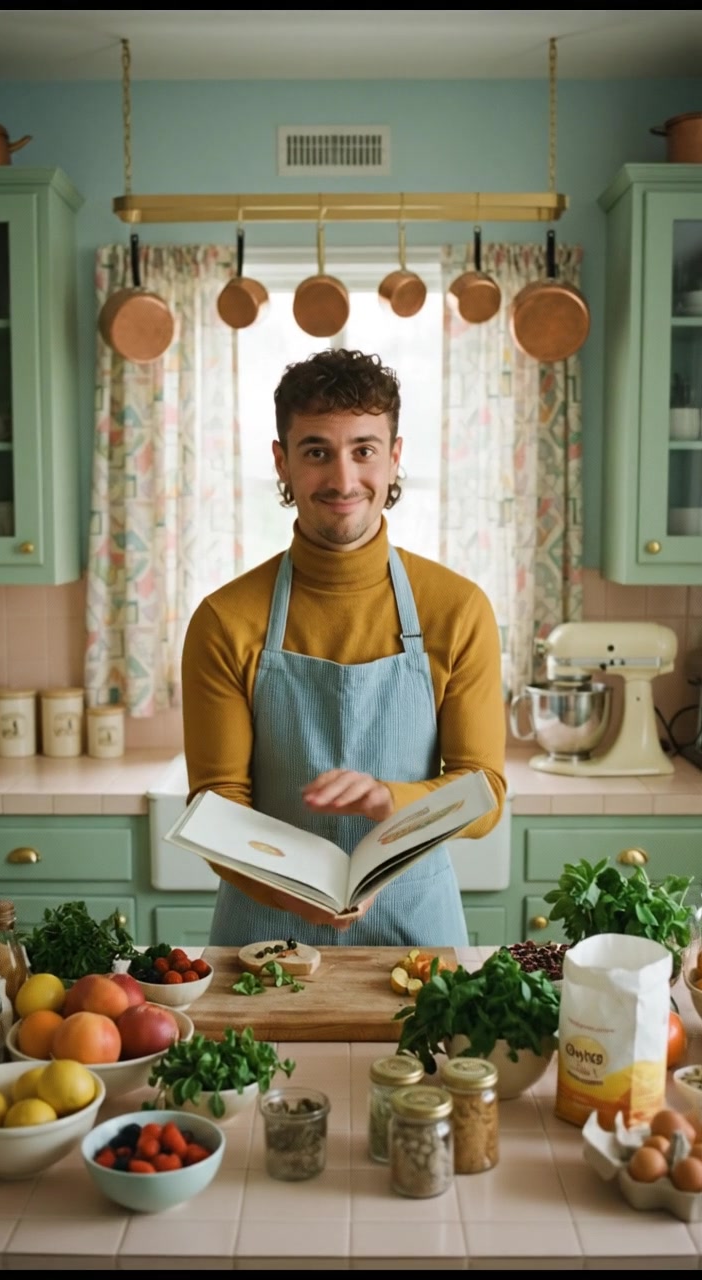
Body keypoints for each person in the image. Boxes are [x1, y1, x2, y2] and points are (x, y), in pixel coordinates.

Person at [181, 348, 507, 947]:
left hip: (417, 936)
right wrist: (289, 892)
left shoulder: (457, 609)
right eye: (316, 452)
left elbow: (484, 794)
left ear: (395, 456)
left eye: (363, 450)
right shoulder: (225, 620)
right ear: (281, 461)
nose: (342, 480)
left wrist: (392, 799)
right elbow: (217, 804)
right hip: (263, 938)